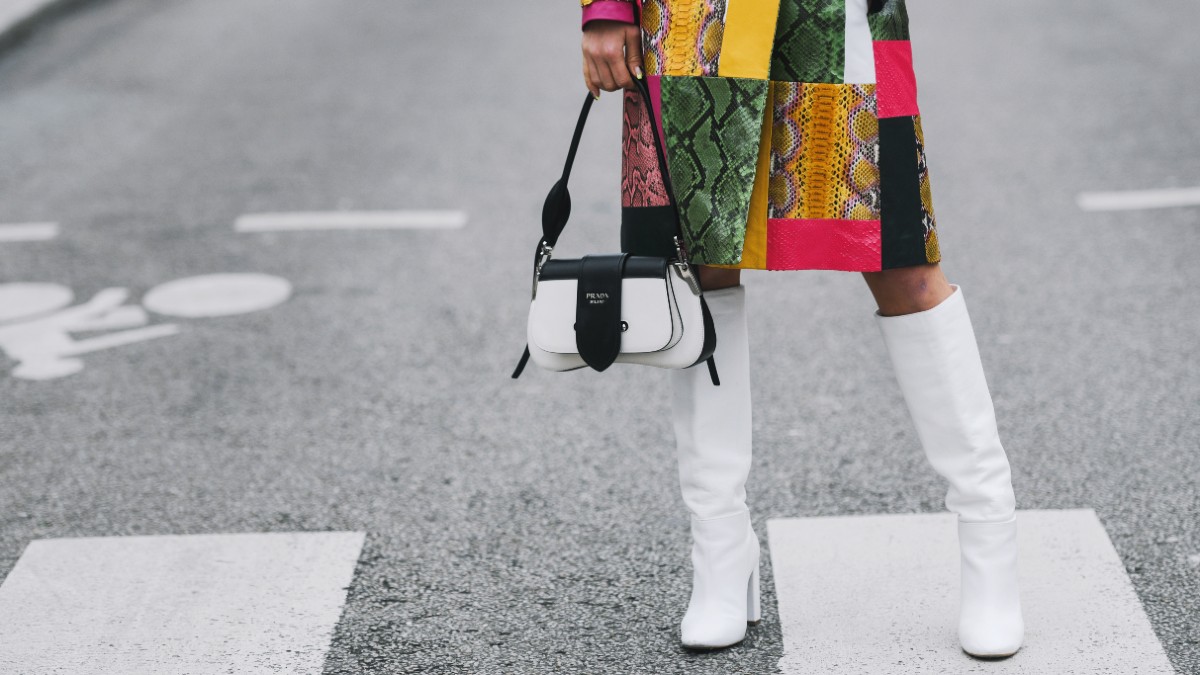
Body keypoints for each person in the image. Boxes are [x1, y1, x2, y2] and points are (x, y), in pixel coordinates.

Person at [578, 0, 1024, 658]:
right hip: (691, 17)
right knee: (703, 265)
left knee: (901, 261)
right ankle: (721, 553)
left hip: (836, 13)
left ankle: (991, 546)